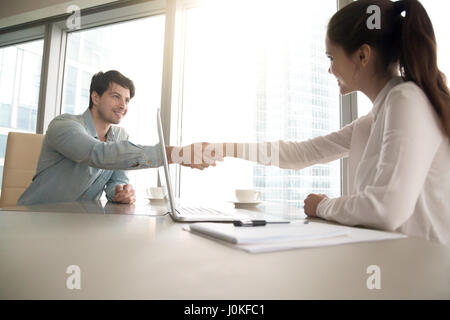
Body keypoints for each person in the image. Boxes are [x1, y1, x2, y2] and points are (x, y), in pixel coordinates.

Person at [209, 0, 450, 245]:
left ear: (362, 55)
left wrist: (322, 206)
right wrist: (226, 149)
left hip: (424, 271)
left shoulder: (405, 99)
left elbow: (386, 210)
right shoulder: (371, 121)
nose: (330, 70)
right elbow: (300, 153)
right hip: (397, 264)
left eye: (331, 57)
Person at [18, 70, 214, 206]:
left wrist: (119, 191)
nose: (123, 105)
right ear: (95, 98)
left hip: (78, 221)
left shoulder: (120, 136)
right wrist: (175, 154)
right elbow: (99, 154)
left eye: (127, 100)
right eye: (115, 97)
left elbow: (115, 180)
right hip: (35, 216)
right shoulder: (64, 125)